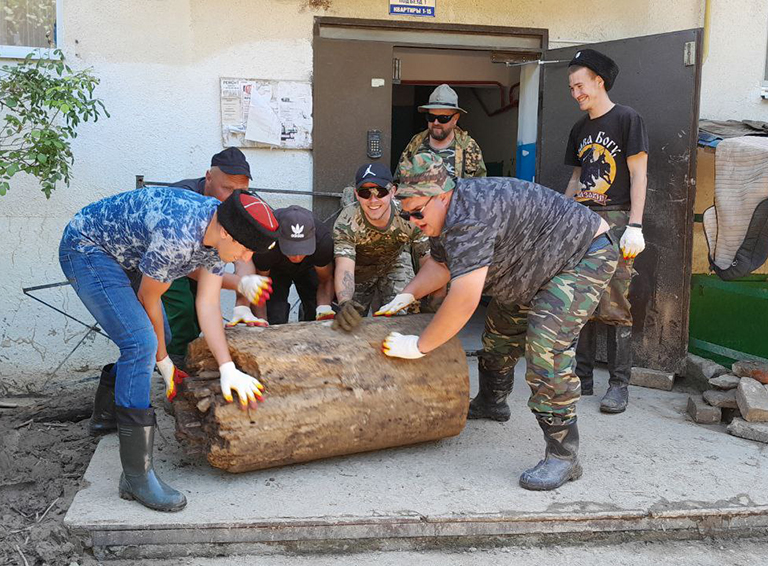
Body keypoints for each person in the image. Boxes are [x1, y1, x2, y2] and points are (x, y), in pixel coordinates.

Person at [376, 153, 618, 491]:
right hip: (528, 263)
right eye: (407, 213)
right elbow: (441, 266)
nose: (414, 220)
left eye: (417, 213)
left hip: (581, 255)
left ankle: (563, 455)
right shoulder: (444, 215)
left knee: (546, 348)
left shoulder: (469, 215)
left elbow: (463, 297)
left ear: (442, 195)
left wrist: (420, 345)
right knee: (501, 328)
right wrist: (408, 294)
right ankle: (493, 401)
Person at [59, 187, 278, 511]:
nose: (247, 260)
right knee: (141, 343)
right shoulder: (178, 236)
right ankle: (136, 476)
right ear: (226, 232)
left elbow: (207, 303)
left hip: (128, 251)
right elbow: (149, 299)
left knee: (161, 334)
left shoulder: (219, 227)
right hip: (88, 249)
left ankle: (106, 416)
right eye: (246, 250)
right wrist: (163, 362)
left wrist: (227, 367)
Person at [564, 49, 649, 414]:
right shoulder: (579, 129)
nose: (576, 93)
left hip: (616, 220)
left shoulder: (628, 119)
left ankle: (619, 385)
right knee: (580, 301)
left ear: (599, 81)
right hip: (582, 219)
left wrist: (635, 224)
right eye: (571, 88)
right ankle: (582, 378)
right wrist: (560, 213)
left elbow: (640, 174)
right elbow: (575, 178)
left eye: (579, 85)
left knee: (615, 303)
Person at [162, 147, 254, 364]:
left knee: (200, 309)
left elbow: (246, 252)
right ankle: (176, 363)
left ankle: (193, 359)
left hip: (204, 257)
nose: (236, 197)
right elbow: (183, 265)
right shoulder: (182, 199)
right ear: (208, 178)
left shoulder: (242, 200)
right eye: (228, 189)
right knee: (182, 308)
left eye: (242, 190)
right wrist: (237, 283)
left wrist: (243, 302)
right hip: (168, 259)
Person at [331, 162, 430, 332]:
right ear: (356, 194)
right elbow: (345, 268)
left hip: (394, 262)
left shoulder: (409, 214)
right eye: (365, 193)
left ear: (393, 192)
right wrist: (344, 301)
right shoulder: (347, 221)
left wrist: (431, 299)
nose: (373, 200)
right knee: (349, 322)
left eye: (380, 192)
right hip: (360, 270)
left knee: (403, 319)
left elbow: (428, 260)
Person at [229, 205, 335, 326]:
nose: (297, 257)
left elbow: (325, 279)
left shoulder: (322, 241)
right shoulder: (267, 242)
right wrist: (262, 322)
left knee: (315, 310)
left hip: (309, 266)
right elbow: (260, 283)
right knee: (275, 315)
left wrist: (323, 309)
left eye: (302, 250)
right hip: (275, 268)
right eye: (291, 250)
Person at [396, 83, 486, 181]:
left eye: (443, 118)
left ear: (455, 119)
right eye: (431, 117)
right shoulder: (416, 143)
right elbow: (399, 180)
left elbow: (479, 188)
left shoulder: (468, 147)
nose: (436, 122)